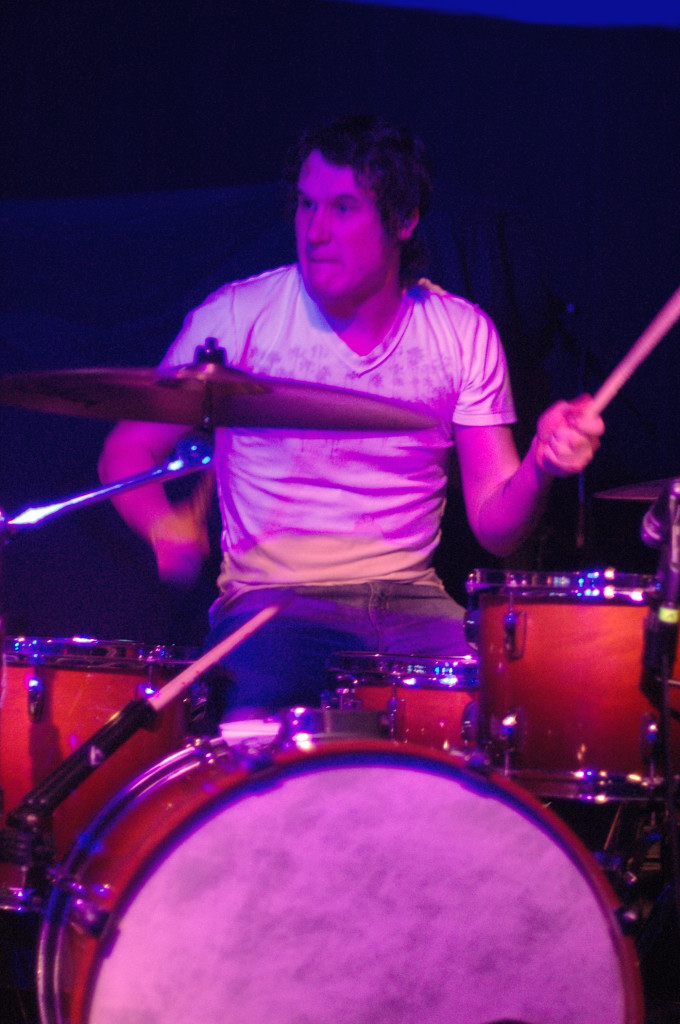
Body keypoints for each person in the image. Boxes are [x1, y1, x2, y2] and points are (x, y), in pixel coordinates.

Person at [98, 114, 604, 717]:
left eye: (342, 208)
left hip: (415, 603)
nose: (315, 230)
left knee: (502, 716)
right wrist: (161, 525)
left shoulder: (460, 333)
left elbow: (497, 525)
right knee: (250, 735)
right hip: (273, 607)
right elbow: (128, 450)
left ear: (404, 219)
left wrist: (542, 465)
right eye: (306, 205)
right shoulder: (237, 319)